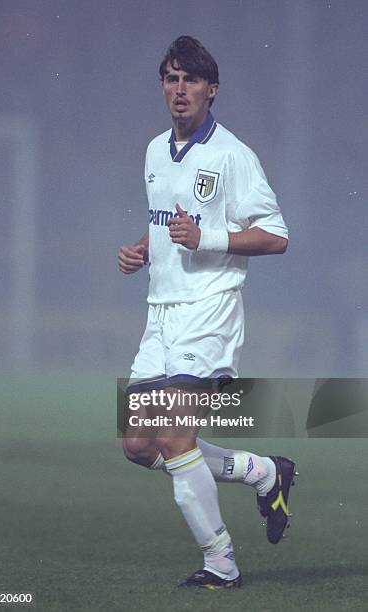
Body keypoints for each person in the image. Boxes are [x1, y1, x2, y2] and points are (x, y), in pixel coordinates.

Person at [118, 35, 297, 589]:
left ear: (211, 91)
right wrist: (144, 248)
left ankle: (220, 562)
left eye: (190, 79)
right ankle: (263, 472)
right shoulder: (153, 150)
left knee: (173, 434)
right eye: (171, 78)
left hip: (209, 310)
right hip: (161, 312)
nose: (179, 89)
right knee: (138, 443)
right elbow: (168, 221)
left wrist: (207, 237)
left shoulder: (233, 156)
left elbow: (277, 236)